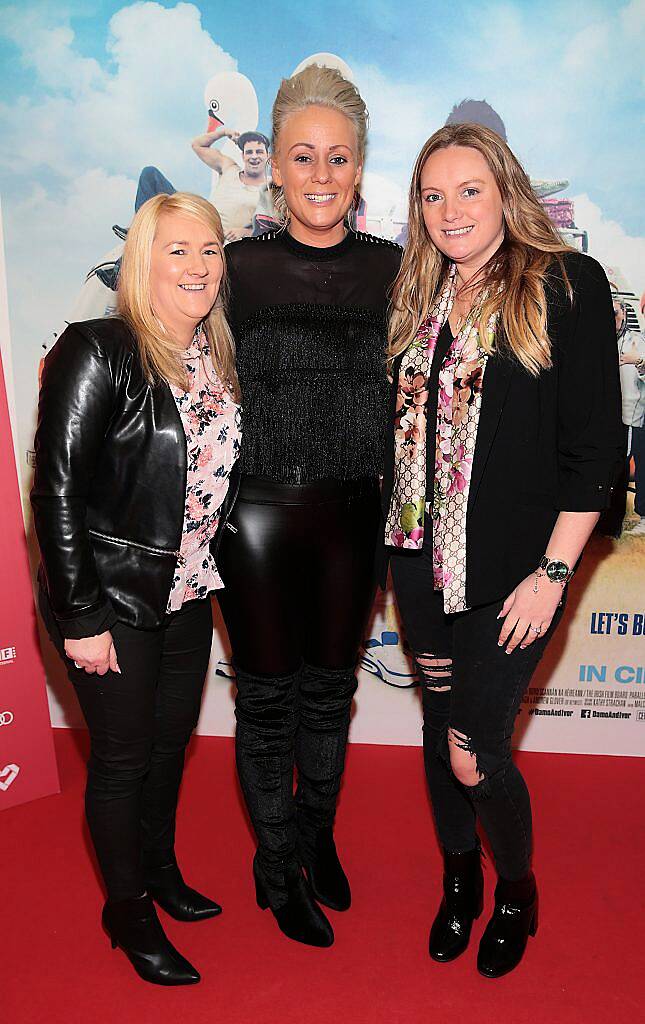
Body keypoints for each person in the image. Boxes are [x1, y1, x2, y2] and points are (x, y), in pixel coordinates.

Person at [382, 124, 623, 978]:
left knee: (472, 749)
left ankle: (513, 888)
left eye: (469, 190)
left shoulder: (565, 282)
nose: (450, 210)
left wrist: (553, 574)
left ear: (505, 191)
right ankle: (459, 882)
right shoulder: (417, 296)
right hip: (417, 560)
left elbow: (597, 451)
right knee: (438, 723)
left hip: (511, 572)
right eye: (432, 195)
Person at [32, 192, 241, 985]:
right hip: (109, 599)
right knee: (122, 760)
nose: (197, 267)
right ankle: (125, 912)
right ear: (142, 261)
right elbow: (55, 491)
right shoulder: (100, 348)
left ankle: (157, 874)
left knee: (166, 750)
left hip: (186, 592)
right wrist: (79, 613)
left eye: (210, 250)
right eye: (177, 250)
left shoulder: (218, 356)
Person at [214, 65, 401, 947]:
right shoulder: (237, 269)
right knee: (268, 700)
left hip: (354, 515)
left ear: (358, 168)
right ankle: (274, 863)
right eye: (303, 156)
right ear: (274, 171)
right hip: (254, 517)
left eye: (337, 158)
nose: (321, 175)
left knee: (331, 696)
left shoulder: (395, 271)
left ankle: (317, 838)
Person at [599, 299, 645, 536]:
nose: (612, 318)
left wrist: (636, 360)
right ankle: (604, 521)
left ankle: (625, 520)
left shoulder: (636, 341)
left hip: (631, 416)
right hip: (604, 417)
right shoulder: (598, 341)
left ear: (624, 313)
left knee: (628, 466)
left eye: (615, 312)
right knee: (606, 467)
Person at [191, 127, 273, 240]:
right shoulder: (229, 168)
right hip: (199, 230)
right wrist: (223, 132)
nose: (254, 156)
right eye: (249, 152)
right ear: (243, 156)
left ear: (268, 156)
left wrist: (247, 232)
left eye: (259, 152)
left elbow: (276, 230)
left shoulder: (271, 187)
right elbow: (197, 145)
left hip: (225, 245)